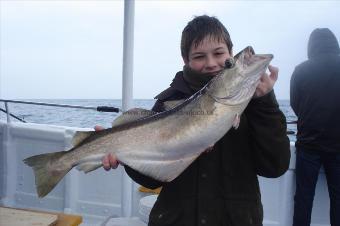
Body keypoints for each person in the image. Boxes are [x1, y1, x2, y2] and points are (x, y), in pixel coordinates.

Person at [100, 15, 290, 226]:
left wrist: (265, 103)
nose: (210, 63)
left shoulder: (255, 104)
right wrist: (126, 157)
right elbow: (151, 180)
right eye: (199, 56)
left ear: (229, 52)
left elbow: (275, 166)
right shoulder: (168, 103)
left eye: (219, 53)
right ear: (186, 60)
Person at [290, 28, 340, 226]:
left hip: (308, 145)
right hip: (338, 147)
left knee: (303, 198)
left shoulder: (301, 70)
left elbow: (295, 103)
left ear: (311, 46)